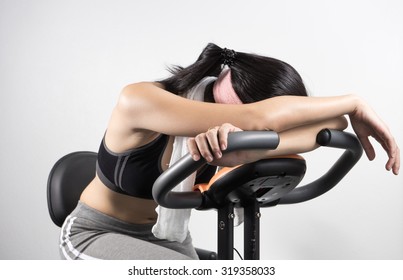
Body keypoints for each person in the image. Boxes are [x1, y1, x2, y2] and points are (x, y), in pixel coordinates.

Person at [59, 43, 400, 260]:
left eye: (270, 129)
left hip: (166, 238)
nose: (264, 132)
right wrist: (355, 103)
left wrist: (251, 143)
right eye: (268, 126)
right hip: (96, 233)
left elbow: (329, 128)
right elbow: (256, 118)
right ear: (229, 89)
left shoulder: (231, 129)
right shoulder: (139, 100)